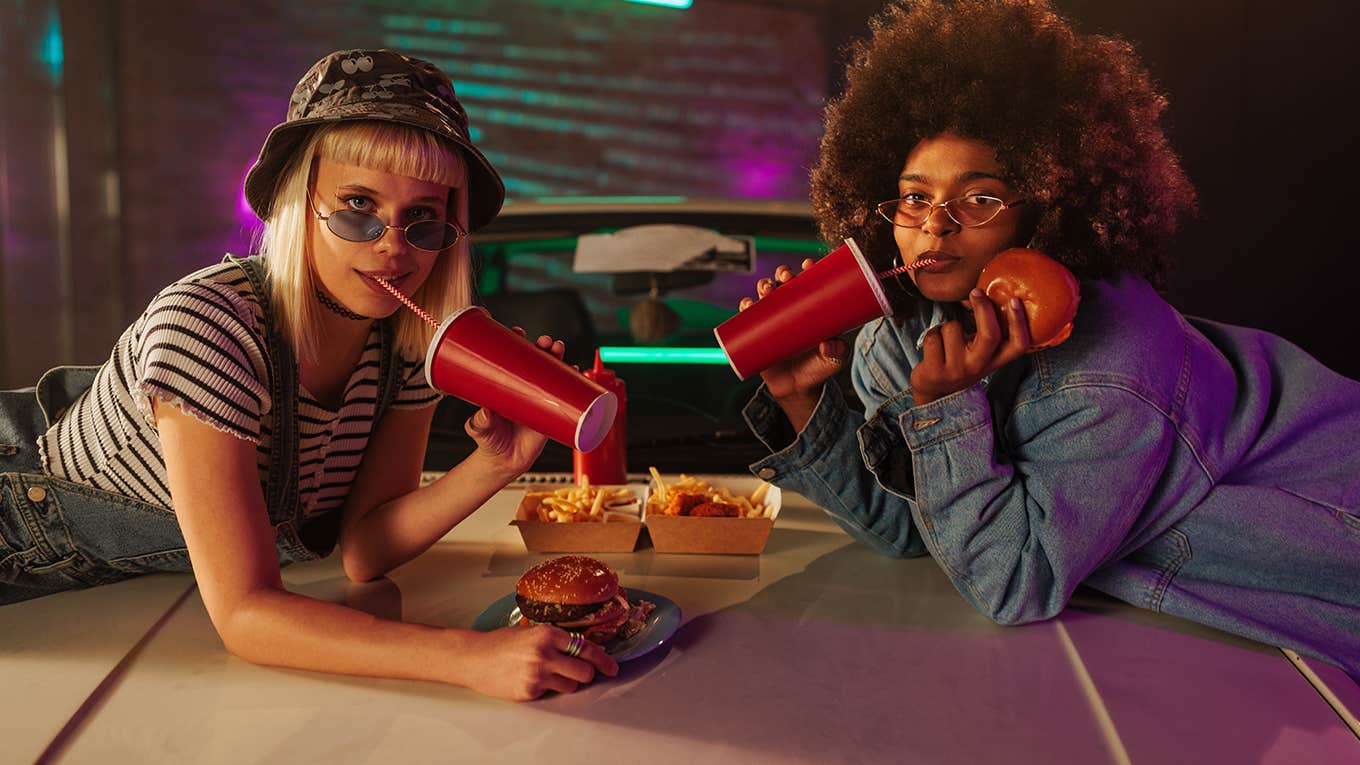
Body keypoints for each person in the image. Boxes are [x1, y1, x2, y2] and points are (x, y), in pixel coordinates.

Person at [739, 0, 1360, 677]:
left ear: (1052, 208)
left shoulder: (1111, 371)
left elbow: (1014, 583)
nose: (936, 226)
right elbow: (914, 533)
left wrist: (945, 409)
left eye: (978, 199)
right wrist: (805, 400)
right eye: (915, 197)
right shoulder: (900, 339)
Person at [0, 49, 615, 700]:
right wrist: (470, 657)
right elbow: (244, 612)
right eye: (358, 205)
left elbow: (365, 549)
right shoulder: (208, 328)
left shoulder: (404, 344)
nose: (392, 245)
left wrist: (494, 463)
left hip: (123, 600)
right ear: (302, 202)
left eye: (423, 218)